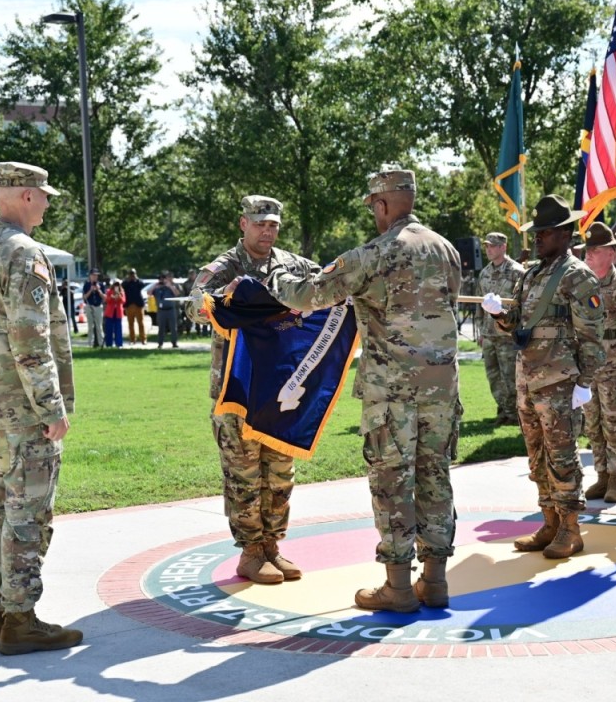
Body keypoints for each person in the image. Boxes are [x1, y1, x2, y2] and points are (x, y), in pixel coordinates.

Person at [267, 170, 462, 612]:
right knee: (436, 478)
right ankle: (434, 581)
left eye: (373, 206)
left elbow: (305, 295)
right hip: (442, 388)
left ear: (383, 204)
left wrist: (274, 272)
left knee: (393, 482)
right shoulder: (446, 250)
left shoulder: (374, 254)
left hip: (393, 392)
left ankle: (396, 587)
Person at [0, 161, 81, 655]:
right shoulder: (24, 254)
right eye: (44, 195)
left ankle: (1, 617)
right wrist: (52, 408)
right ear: (25, 196)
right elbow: (31, 342)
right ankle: (21, 619)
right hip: (23, 409)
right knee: (28, 515)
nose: (48, 202)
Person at [185, 195, 319, 586]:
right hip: (237, 388)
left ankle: (273, 546)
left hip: (281, 388)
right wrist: (227, 301)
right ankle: (250, 551)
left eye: (273, 224)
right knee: (243, 473)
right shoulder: (224, 267)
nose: (267, 230)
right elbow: (196, 307)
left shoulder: (293, 265)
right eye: (260, 223)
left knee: (279, 472)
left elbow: (325, 288)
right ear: (242, 223)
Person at [484, 195, 604, 557]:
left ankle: (570, 528)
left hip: (560, 383)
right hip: (528, 380)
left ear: (566, 233)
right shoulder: (533, 274)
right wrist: (498, 315)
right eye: (536, 232)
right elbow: (518, 325)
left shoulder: (577, 276)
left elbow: (592, 337)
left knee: (562, 455)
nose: (538, 237)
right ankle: (549, 521)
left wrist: (584, 384)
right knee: (536, 457)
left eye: (546, 231)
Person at [581, 221, 616, 503]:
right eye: (587, 249)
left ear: (610, 253)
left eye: (595, 249)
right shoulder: (582, 283)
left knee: (614, 421)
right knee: (593, 422)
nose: (588, 254)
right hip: (590, 364)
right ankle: (601, 474)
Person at [476, 232, 525, 426]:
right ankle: (504, 410)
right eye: (487, 246)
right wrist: (481, 330)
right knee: (493, 376)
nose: (488, 249)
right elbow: (479, 304)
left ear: (503, 247)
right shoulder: (484, 273)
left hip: (507, 334)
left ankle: (513, 414)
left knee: (510, 377)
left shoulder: (517, 272)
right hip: (489, 334)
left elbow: (522, 305)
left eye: (492, 246)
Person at [150, 272, 180, 348]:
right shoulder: (157, 288)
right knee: (161, 328)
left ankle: (174, 343)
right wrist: (154, 286)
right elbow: (148, 293)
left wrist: (169, 286)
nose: (162, 280)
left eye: (163, 278)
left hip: (171, 310)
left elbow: (177, 294)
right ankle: (160, 343)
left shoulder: (170, 287)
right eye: (160, 279)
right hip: (161, 311)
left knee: (173, 327)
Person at [121, 268, 147, 345]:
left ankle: (143, 339)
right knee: (130, 324)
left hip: (138, 305)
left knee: (141, 323)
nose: (132, 276)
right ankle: (132, 339)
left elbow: (142, 285)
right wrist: (128, 280)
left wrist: (136, 279)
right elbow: (122, 286)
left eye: (133, 274)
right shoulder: (126, 283)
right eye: (131, 274)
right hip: (129, 305)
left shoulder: (138, 282)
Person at [81, 269, 106, 348]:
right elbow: (84, 297)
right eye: (93, 275)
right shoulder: (86, 285)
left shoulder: (101, 285)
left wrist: (98, 290)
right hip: (89, 306)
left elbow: (105, 298)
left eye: (96, 275)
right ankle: (90, 344)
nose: (95, 277)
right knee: (90, 326)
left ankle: (101, 343)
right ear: (90, 276)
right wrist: (91, 290)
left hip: (98, 306)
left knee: (99, 326)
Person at [103, 279, 125, 348]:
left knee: (118, 328)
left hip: (118, 313)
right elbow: (106, 300)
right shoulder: (109, 291)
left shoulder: (122, 292)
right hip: (110, 313)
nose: (116, 286)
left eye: (118, 285)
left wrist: (119, 296)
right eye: (115, 285)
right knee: (109, 329)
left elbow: (123, 301)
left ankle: (119, 344)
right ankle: (109, 344)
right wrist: (111, 297)